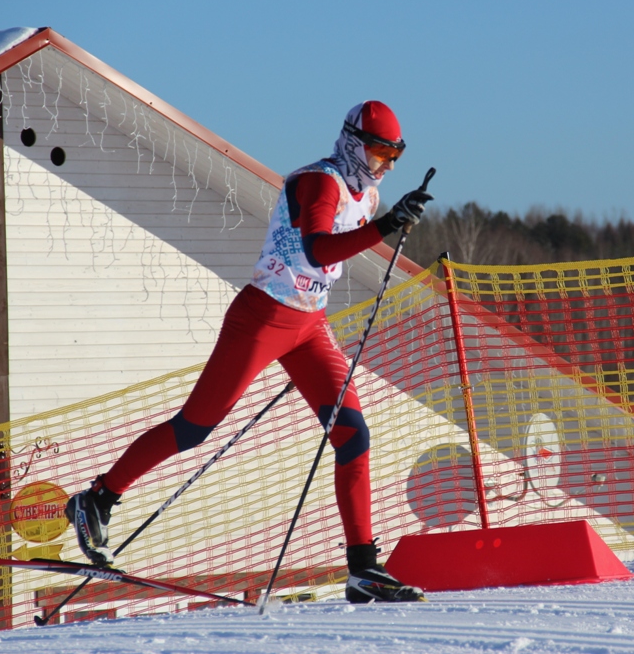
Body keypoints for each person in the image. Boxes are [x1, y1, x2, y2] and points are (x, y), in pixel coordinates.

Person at [66, 101, 431, 603]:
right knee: (194, 427)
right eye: (379, 151)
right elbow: (317, 250)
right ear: (353, 143)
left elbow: (340, 247)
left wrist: (389, 220)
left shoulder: (364, 196)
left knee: (353, 435)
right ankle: (98, 498)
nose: (386, 165)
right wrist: (388, 227)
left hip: (308, 326)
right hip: (262, 318)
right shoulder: (321, 181)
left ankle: (363, 569)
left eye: (394, 156)